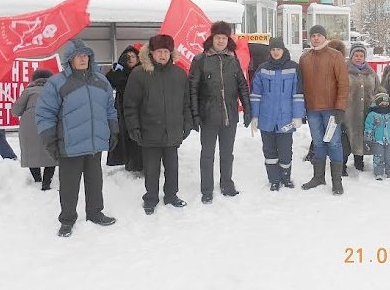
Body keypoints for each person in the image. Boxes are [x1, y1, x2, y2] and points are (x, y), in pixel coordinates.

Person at [36, 39, 119, 237]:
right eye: (78, 56)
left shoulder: (101, 80)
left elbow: (109, 108)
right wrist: (50, 141)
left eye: (86, 55)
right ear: (69, 59)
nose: (83, 59)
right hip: (69, 144)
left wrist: (113, 130)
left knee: (95, 181)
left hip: (94, 143)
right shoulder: (57, 82)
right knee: (69, 186)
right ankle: (67, 220)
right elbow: (45, 113)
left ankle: (95, 212)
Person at [124, 35, 192, 215]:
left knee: (172, 167)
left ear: (171, 53)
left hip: (172, 130)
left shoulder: (179, 74)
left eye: (166, 52)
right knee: (151, 169)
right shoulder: (139, 74)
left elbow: (186, 102)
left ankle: (171, 195)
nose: (162, 55)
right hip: (149, 131)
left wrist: (187, 122)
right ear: (151, 53)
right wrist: (134, 127)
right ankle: (151, 198)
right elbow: (130, 105)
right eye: (159, 52)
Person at [189, 21, 251, 204]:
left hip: (229, 115)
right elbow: (192, 88)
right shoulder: (200, 60)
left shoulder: (233, 59)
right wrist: (195, 114)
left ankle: (227, 183)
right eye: (218, 38)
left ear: (228, 40)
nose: (221, 41)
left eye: (224, 38)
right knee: (207, 154)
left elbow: (242, 85)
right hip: (208, 115)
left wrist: (247, 108)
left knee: (227, 153)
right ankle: (206, 189)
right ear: (212, 39)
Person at [299, 25, 349, 195]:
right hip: (312, 110)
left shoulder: (335, 56)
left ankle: (337, 181)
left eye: (319, 35)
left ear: (325, 37)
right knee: (318, 143)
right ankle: (318, 177)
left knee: (334, 143)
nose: (316, 38)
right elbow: (301, 86)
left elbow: (343, 84)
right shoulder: (304, 58)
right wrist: (302, 109)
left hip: (331, 109)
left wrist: (340, 108)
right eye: (313, 36)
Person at [250, 37, 305, 191]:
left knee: (286, 150)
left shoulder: (294, 68)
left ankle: (286, 178)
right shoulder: (262, 68)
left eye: (278, 49)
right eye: (273, 49)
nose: (275, 52)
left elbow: (298, 93)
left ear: (283, 50)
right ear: (270, 51)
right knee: (269, 151)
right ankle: (274, 179)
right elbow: (255, 94)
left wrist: (298, 115)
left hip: (286, 119)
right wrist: (254, 116)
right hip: (266, 118)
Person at [12, 69, 56, 190]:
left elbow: (15, 112)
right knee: (51, 153)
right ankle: (46, 183)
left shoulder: (28, 91)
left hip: (29, 125)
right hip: (49, 123)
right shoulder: (55, 91)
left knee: (31, 152)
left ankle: (37, 180)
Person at [106, 45, 143, 172]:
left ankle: (137, 164)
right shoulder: (119, 71)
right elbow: (109, 82)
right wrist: (118, 69)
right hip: (122, 109)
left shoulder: (142, 71)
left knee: (137, 137)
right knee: (124, 136)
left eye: (133, 56)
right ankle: (127, 161)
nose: (131, 59)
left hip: (139, 109)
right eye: (127, 57)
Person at [345, 42, 380, 172]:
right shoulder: (344, 70)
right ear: (351, 56)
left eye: (361, 55)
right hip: (350, 110)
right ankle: (343, 162)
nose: (358, 57)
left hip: (367, 109)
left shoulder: (371, 72)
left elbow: (377, 88)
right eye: (356, 55)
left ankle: (359, 161)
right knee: (349, 135)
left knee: (363, 134)